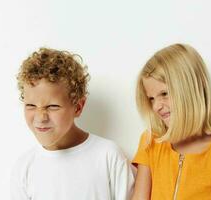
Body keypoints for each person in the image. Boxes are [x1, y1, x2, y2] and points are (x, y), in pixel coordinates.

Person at [11, 48, 134, 200]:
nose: (41, 117)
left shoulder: (108, 155)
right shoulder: (24, 168)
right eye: (31, 105)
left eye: (52, 106)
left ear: (78, 107)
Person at [131, 44, 211, 200]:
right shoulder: (150, 142)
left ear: (190, 90)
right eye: (151, 98)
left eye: (164, 93)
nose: (157, 106)